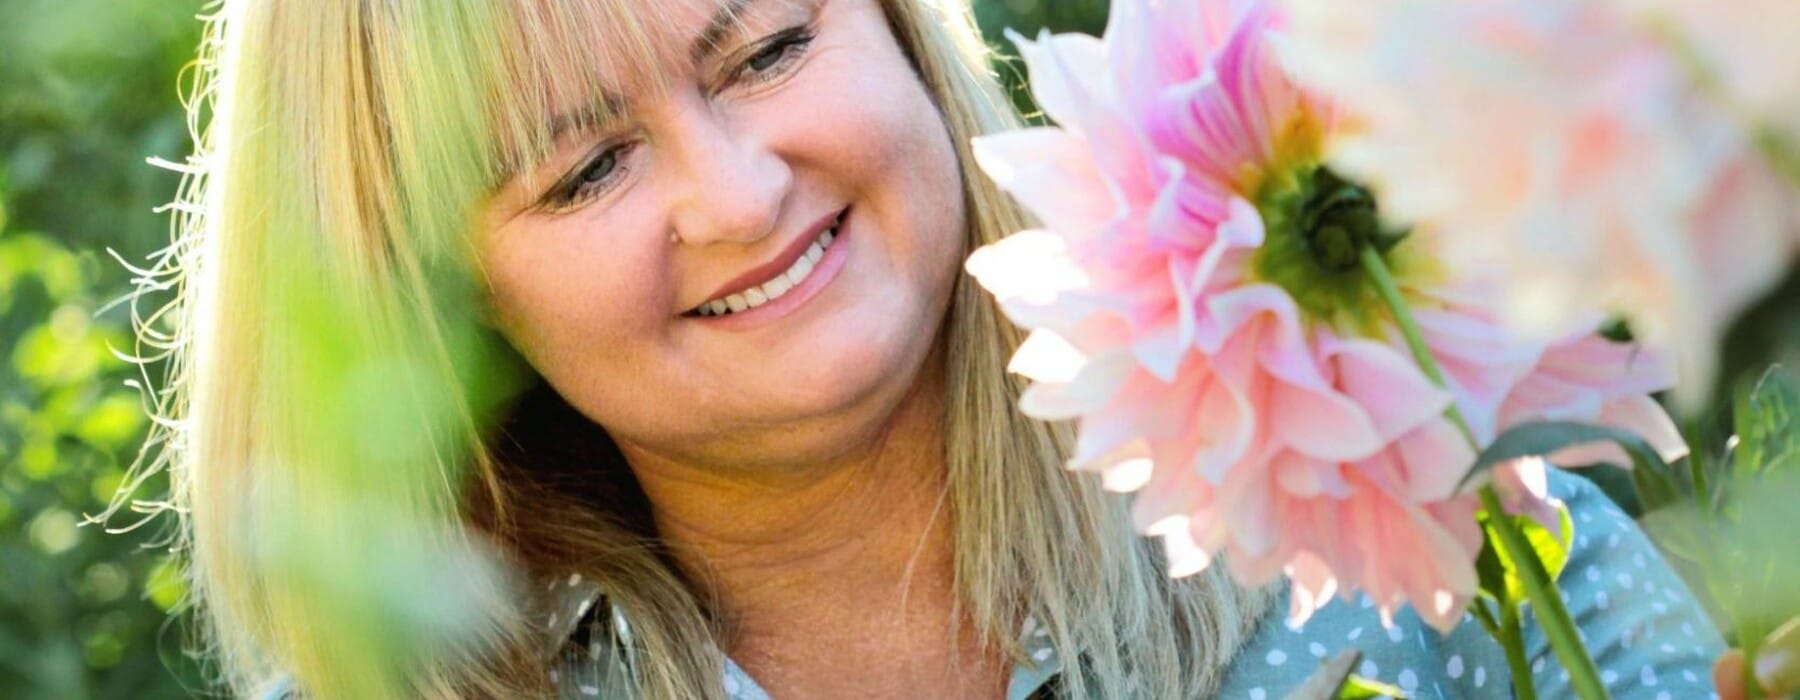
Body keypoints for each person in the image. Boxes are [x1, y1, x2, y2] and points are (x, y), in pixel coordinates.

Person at [132, 0, 1728, 697]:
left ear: (902, 35)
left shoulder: (1404, 515)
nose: (736, 196)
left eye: (764, 49)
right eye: (586, 167)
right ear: (438, 311)